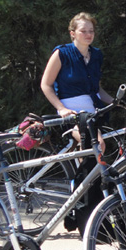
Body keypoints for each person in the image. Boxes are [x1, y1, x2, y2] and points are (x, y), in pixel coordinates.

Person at [40, 12, 113, 148]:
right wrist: (61, 109)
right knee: (97, 144)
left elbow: (97, 88)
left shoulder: (96, 55)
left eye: (91, 31)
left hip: (94, 111)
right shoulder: (62, 53)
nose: (88, 34)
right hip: (72, 112)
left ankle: (85, 170)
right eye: (83, 31)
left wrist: (116, 102)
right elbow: (46, 84)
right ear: (72, 33)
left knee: (90, 150)